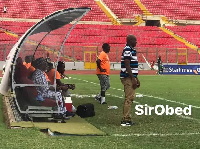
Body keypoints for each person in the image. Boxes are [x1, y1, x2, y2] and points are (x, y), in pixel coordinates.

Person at [120, 35, 140, 126]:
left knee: (130, 97)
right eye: (135, 40)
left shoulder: (131, 49)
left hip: (130, 76)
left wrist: (136, 78)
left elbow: (132, 66)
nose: (136, 42)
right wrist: (132, 78)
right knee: (129, 98)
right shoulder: (127, 49)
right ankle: (125, 119)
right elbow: (127, 65)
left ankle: (126, 118)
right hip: (128, 77)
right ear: (130, 40)